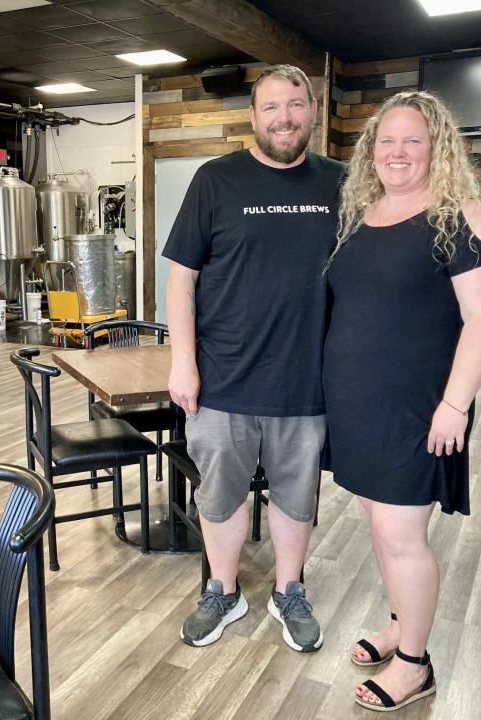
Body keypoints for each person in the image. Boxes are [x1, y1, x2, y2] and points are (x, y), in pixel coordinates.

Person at [322, 90, 481, 711]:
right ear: (371, 150)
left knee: (402, 533)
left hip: (419, 406)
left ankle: (414, 663)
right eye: (387, 141)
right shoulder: (366, 211)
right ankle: (402, 622)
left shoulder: (461, 214)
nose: (398, 153)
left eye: (413, 141)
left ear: (437, 149)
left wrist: (455, 406)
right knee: (382, 524)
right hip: (361, 403)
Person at [163, 64, 344, 653]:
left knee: (297, 496)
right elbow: (180, 280)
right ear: (252, 116)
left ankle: (290, 590)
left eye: (295, 105)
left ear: (313, 110)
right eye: (271, 107)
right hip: (222, 378)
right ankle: (222, 588)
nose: (284, 117)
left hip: (306, 379)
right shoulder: (215, 180)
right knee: (219, 497)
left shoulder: (340, 182)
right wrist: (182, 362)